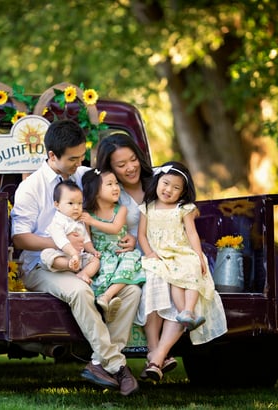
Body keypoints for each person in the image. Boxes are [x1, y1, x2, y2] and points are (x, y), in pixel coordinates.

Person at [11, 119, 140, 396]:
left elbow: (113, 204)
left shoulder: (84, 176)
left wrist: (128, 235)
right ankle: (117, 365)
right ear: (52, 156)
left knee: (130, 290)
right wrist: (61, 243)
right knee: (81, 292)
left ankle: (98, 363)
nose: (78, 163)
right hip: (43, 264)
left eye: (82, 156)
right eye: (72, 159)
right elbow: (20, 238)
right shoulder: (31, 187)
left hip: (85, 260)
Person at [95, 132, 182, 381]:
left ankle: (157, 353)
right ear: (109, 167)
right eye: (121, 165)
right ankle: (158, 355)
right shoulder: (110, 190)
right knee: (155, 278)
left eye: (133, 159)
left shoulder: (158, 180)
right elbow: (103, 223)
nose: (130, 168)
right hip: (132, 254)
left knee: (178, 281)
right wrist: (129, 237)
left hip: (167, 249)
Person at [136, 161, 227, 381]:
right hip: (158, 256)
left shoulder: (183, 209)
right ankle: (160, 349)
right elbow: (142, 235)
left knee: (187, 271)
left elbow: (193, 234)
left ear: (183, 192)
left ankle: (186, 311)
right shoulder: (147, 207)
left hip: (180, 252)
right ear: (157, 182)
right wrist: (149, 253)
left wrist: (198, 255)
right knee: (157, 280)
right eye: (165, 184)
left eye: (176, 188)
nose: (168, 190)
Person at [80, 169, 145, 323]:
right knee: (103, 275)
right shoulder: (88, 213)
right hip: (103, 254)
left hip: (120, 251)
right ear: (95, 191)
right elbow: (86, 239)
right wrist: (93, 252)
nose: (116, 187)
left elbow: (116, 228)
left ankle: (107, 296)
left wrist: (93, 221)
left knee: (128, 265)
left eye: (116, 183)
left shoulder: (120, 210)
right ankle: (104, 305)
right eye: (110, 184)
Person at [40, 180, 100, 281]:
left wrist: (93, 251)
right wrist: (73, 254)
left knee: (95, 261)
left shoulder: (80, 222)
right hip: (59, 254)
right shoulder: (58, 222)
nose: (76, 207)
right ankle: (69, 265)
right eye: (70, 203)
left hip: (77, 257)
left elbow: (85, 240)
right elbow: (61, 241)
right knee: (46, 255)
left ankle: (83, 273)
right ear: (57, 205)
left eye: (80, 203)